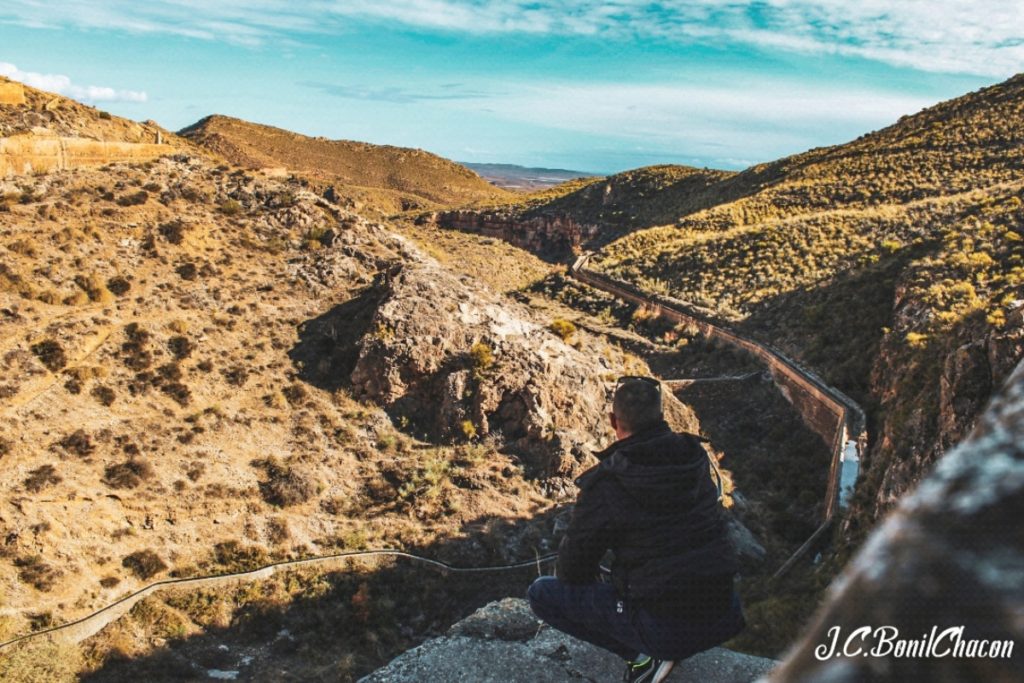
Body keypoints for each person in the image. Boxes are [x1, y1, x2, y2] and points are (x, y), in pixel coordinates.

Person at [527, 376, 744, 683]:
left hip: (667, 629)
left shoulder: (608, 482)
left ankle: (643, 658)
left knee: (541, 594)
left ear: (613, 420)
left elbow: (572, 571)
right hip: (724, 611)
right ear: (662, 417)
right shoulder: (695, 458)